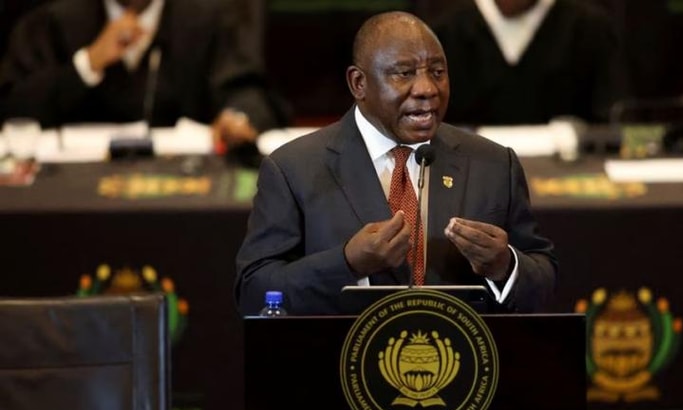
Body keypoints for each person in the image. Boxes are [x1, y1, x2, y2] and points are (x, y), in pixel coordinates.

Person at [235, 10, 556, 316]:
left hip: (461, 352)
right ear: (359, 83)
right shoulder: (293, 169)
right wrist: (346, 263)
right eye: (404, 73)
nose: (427, 89)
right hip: (339, 352)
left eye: (437, 72)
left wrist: (504, 266)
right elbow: (254, 292)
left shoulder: (494, 164)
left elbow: (544, 277)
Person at [0, 0, 287, 148]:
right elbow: (12, 107)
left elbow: (247, 90)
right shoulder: (53, 19)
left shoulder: (210, 17)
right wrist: (87, 64)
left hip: (183, 190)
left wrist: (238, 118)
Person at [431, 0, 626, 126]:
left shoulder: (589, 28)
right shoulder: (446, 31)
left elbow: (611, 116)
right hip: (470, 168)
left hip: (571, 167)